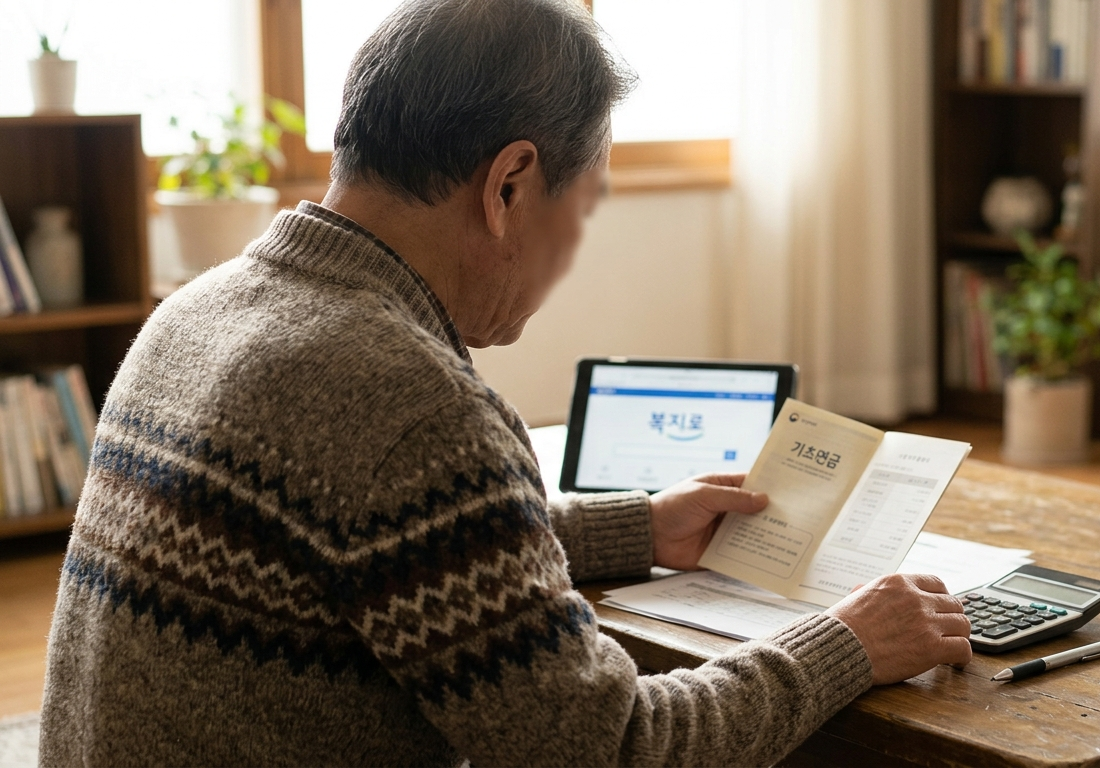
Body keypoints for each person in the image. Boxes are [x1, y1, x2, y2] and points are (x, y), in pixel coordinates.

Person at [37, 0, 970, 765]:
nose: (573, 251)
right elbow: (610, 750)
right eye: (586, 207)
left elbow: (372, 555)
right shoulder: (413, 407)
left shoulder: (197, 310)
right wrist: (848, 644)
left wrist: (636, 527)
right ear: (511, 184)